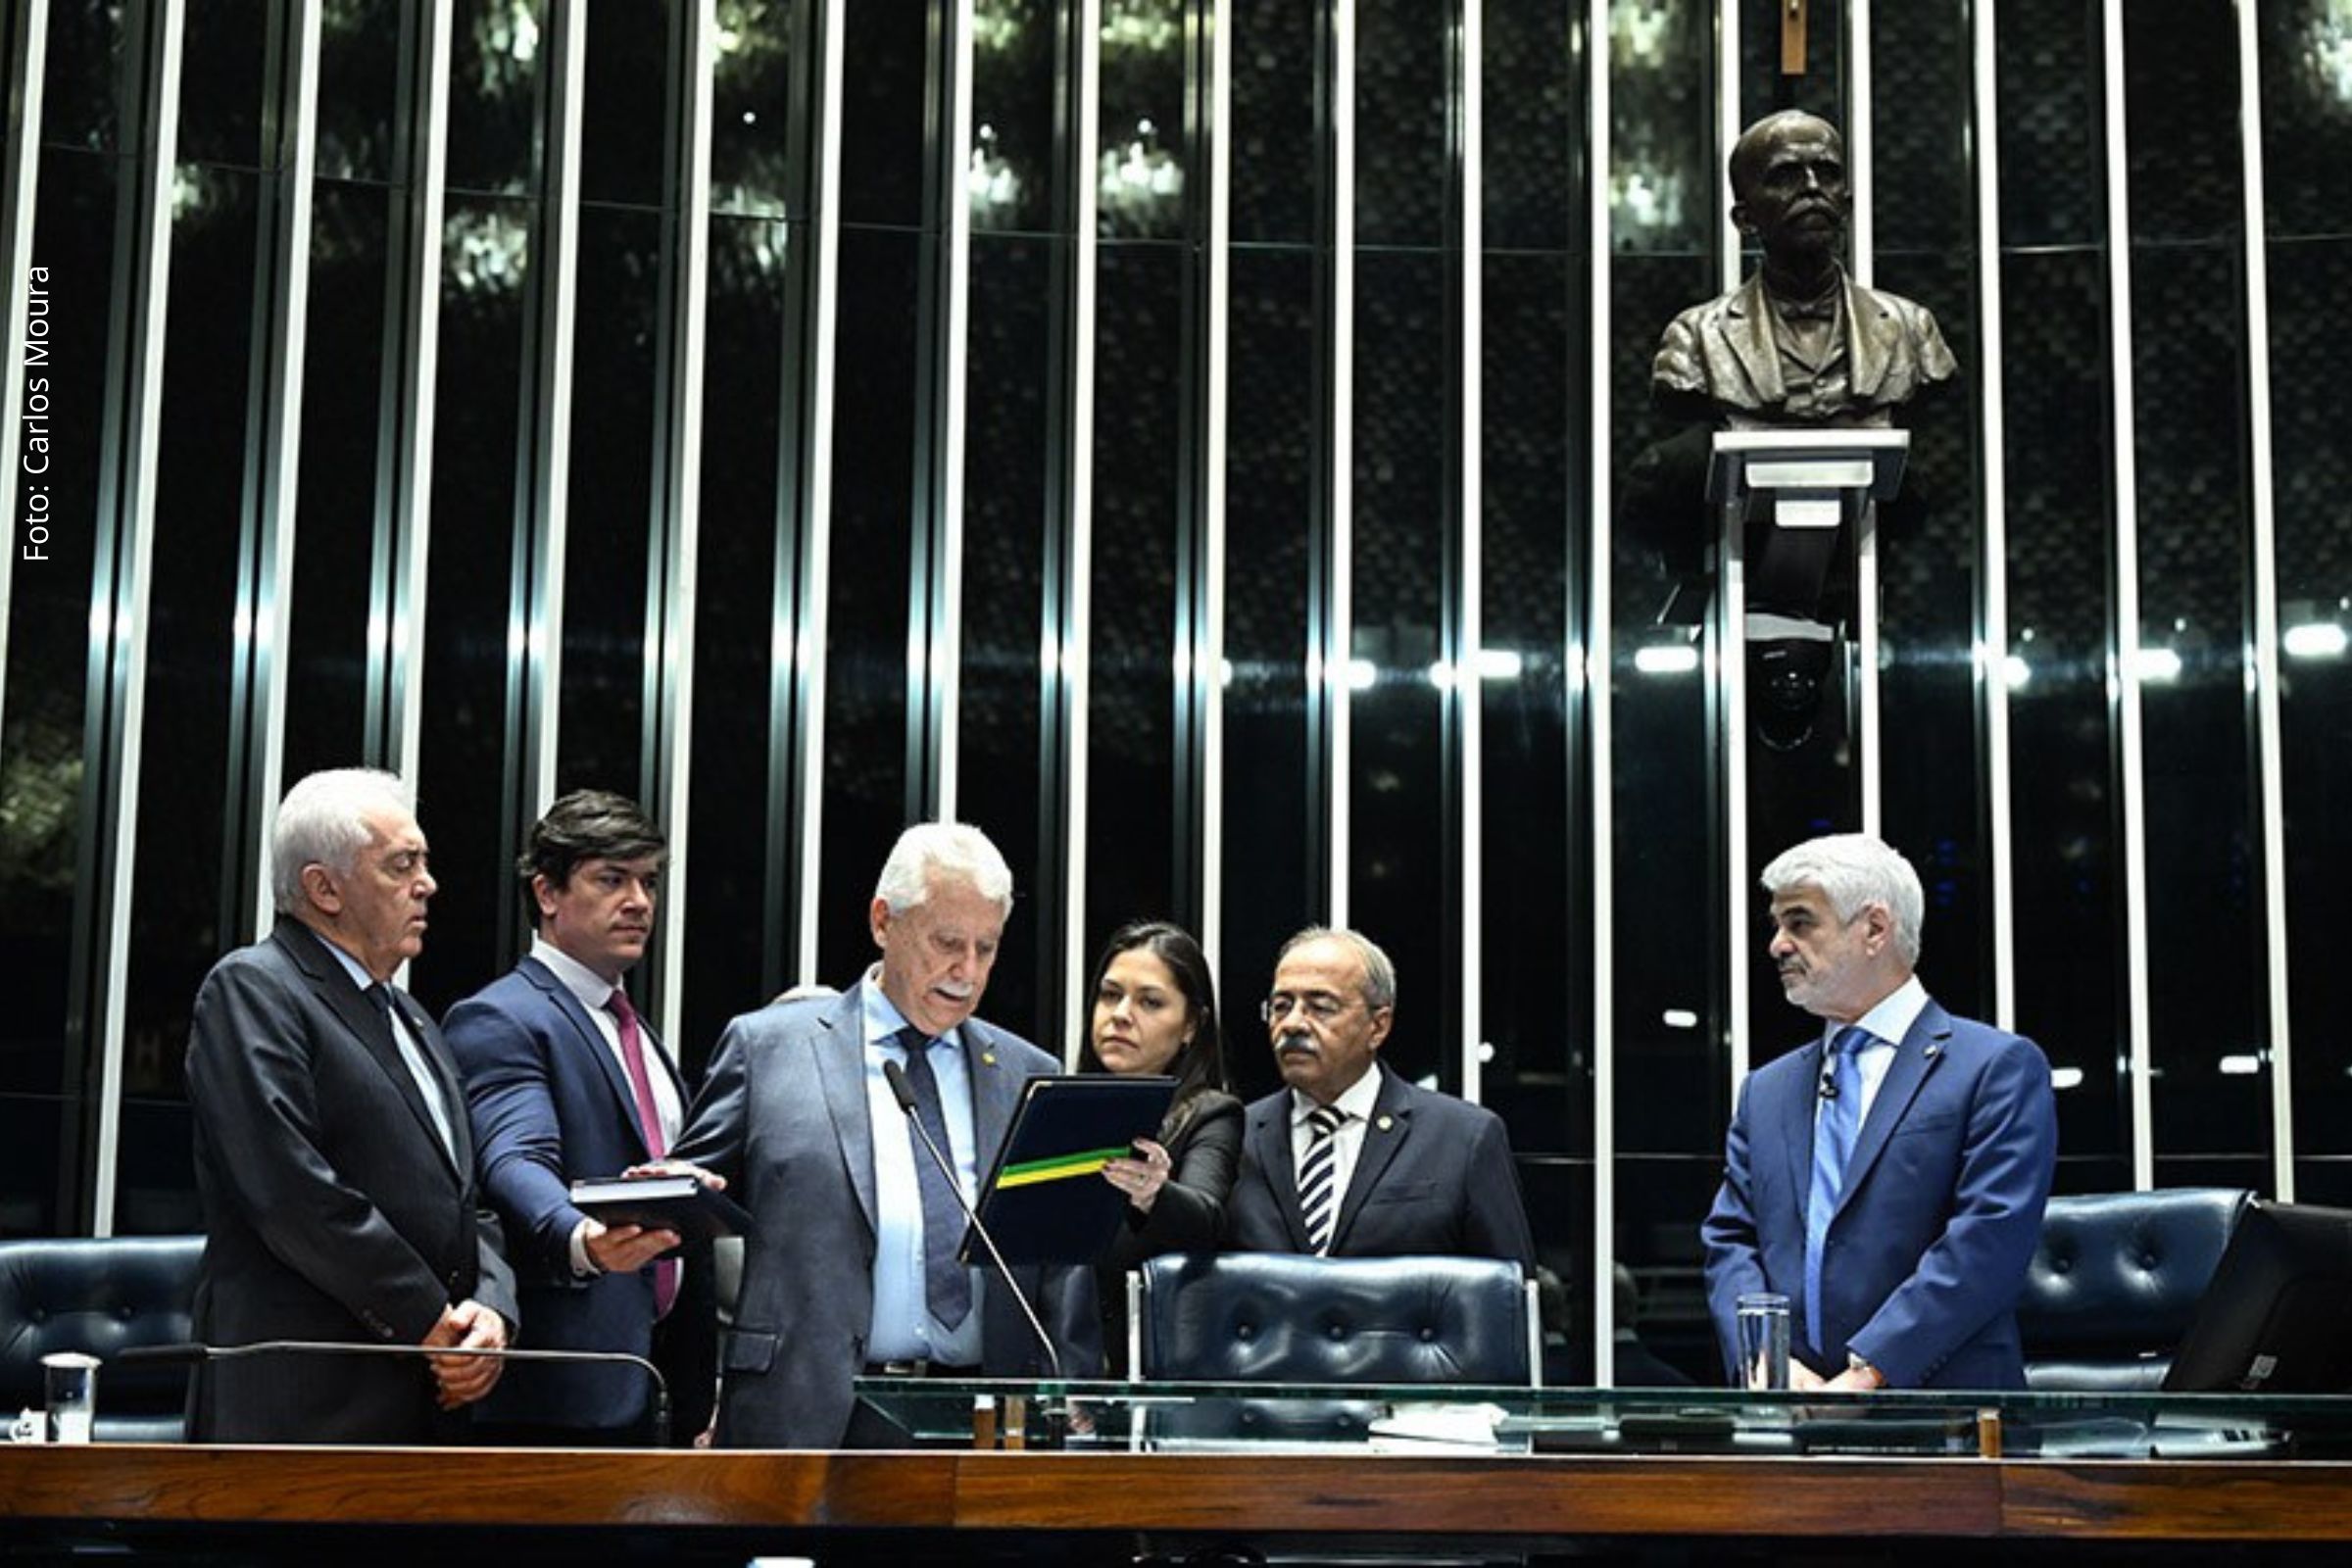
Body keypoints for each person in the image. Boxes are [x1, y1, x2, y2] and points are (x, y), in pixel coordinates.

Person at [667, 822, 1100, 1446]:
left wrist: (1075, 1395)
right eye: (948, 942)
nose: (968, 970)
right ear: (882, 922)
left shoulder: (1028, 1073)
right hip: (808, 1409)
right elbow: (688, 1201)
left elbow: (1059, 1260)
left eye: (988, 946)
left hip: (985, 1419)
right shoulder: (768, 1049)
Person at [183, 768, 516, 1443]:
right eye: (402, 865)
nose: (428, 884)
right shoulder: (255, 988)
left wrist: (490, 1310)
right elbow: (289, 1190)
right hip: (307, 1403)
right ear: (323, 888)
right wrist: (429, 1319)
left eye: (424, 862)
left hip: (429, 1397)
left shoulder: (414, 1018)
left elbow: (468, 1200)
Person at [1701, 833, 2058, 1391]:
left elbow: (1987, 1243)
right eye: (1776, 924)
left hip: (1949, 1430)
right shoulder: (1765, 1091)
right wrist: (1765, 1360)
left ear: (1873, 929)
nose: (1777, 944)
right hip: (1784, 1427)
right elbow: (1730, 1240)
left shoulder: (1994, 1067)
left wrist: (1868, 1372)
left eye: (1800, 922)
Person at [442, 790, 715, 1445]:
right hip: (557, 1396)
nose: (640, 902)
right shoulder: (503, 1017)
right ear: (547, 892)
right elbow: (513, 1159)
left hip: (658, 1386)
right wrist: (581, 1236)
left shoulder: (639, 1034)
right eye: (611, 879)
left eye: (648, 881)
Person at [1224, 927, 1536, 1269]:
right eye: (1281, 1006)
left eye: (1321, 1007)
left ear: (1378, 1026)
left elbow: (1508, 1294)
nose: (1293, 1023)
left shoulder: (1463, 1137)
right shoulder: (1236, 1135)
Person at [1651, 110, 1956, 430]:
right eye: (1785, 176)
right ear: (1745, 219)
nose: (1812, 188)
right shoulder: (1696, 336)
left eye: (1827, 174)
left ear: (1846, 206)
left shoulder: (1912, 328)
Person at [1083, 920, 1243, 1373]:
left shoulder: (1210, 1112)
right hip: (1047, 1360)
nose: (1120, 1014)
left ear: (1191, 1025)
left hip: (1144, 1367)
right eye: (1110, 995)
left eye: (1150, 1002)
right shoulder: (1054, 1099)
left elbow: (1207, 1216)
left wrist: (1154, 1192)